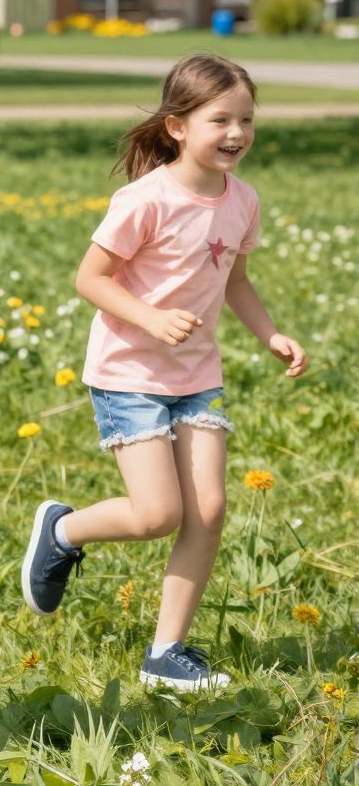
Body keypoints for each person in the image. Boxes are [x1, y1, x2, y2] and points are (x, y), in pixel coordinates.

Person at [20, 54, 307, 691]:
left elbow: (236, 280)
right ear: (177, 126)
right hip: (129, 372)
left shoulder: (244, 200)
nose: (236, 133)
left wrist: (271, 334)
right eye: (220, 119)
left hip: (197, 374)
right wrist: (149, 319)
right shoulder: (144, 199)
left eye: (246, 119)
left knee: (208, 509)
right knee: (155, 514)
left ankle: (165, 652)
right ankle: (62, 530)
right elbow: (89, 278)